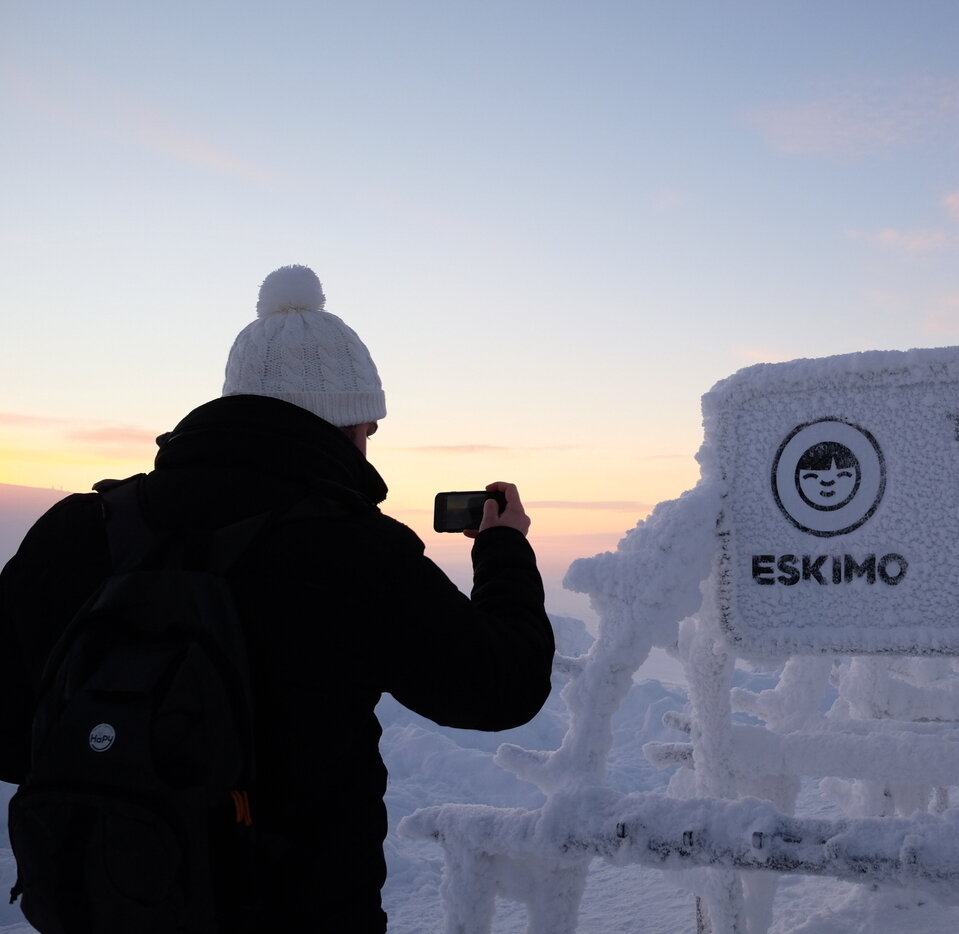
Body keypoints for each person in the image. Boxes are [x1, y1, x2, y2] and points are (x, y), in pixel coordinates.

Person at [0, 264, 555, 932]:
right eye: (367, 429)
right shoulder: (356, 549)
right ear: (344, 422)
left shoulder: (81, 528)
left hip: (103, 904)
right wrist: (504, 549)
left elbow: (9, 736)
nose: (367, 445)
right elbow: (503, 686)